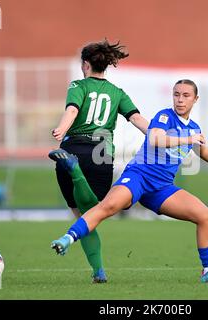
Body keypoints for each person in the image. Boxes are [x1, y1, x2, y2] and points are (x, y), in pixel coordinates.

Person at [49, 79, 208, 284]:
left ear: (195, 99)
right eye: (176, 94)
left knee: (205, 215)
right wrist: (188, 139)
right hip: (139, 177)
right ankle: (67, 239)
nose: (180, 100)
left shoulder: (194, 128)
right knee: (108, 206)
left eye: (186, 96)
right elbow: (156, 139)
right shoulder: (164, 117)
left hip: (162, 188)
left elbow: (202, 150)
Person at [49, 40, 149, 282]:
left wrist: (61, 129)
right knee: (91, 212)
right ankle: (99, 273)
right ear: (105, 65)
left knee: (83, 214)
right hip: (101, 151)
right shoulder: (117, 93)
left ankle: (99, 271)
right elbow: (137, 119)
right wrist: (160, 137)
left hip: (72, 147)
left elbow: (72, 110)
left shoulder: (78, 85)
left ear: (85, 64)